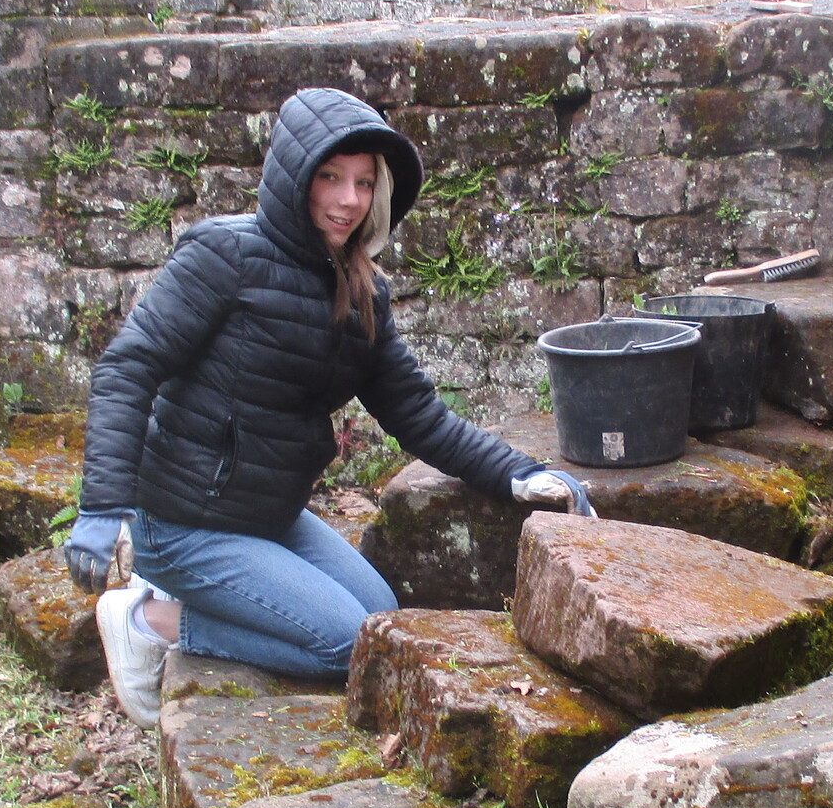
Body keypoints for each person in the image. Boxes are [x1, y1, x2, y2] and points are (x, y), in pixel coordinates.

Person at [63, 87, 590, 727]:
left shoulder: (363, 290)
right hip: (182, 520)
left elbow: (417, 413)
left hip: (269, 514)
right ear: (295, 177)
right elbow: (129, 366)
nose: (349, 199)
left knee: (381, 618)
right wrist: (103, 506)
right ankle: (147, 620)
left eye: (364, 183)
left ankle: (202, 599)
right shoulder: (223, 256)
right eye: (331, 177)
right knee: (348, 645)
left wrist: (520, 474)